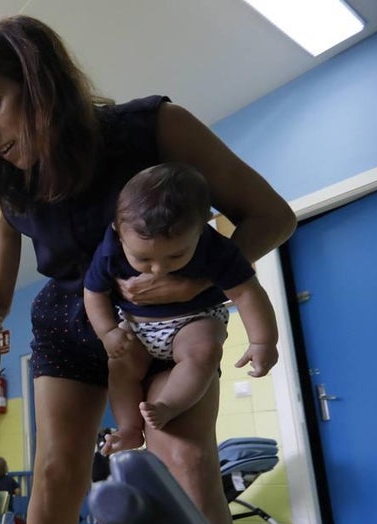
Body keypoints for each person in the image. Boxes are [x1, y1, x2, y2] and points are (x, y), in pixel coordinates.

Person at [0, 15, 296, 524]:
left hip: (167, 321)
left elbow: (272, 216)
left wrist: (193, 283)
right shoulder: (3, 190)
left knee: (187, 458)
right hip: (67, 317)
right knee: (57, 470)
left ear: (40, 83)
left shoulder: (157, 127)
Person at [85, 163, 279, 453]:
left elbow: (247, 292)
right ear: (118, 231)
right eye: (143, 259)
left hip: (195, 319)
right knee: (120, 366)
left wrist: (264, 341)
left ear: (201, 231)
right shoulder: (110, 249)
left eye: (176, 255)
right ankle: (128, 429)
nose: (159, 269)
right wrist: (107, 332)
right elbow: (93, 292)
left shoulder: (215, 250)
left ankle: (168, 405)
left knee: (203, 352)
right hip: (137, 328)